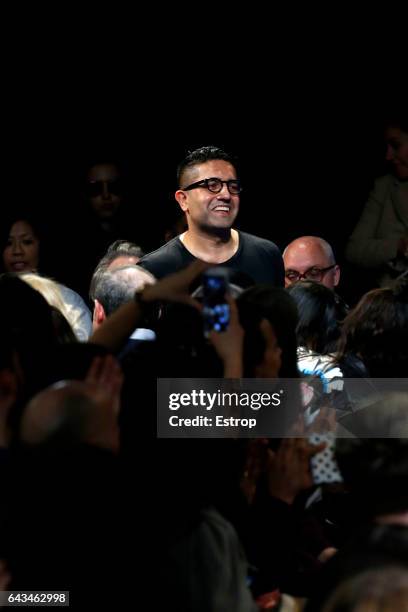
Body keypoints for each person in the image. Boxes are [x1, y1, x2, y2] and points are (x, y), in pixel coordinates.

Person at [139, 146, 284, 286]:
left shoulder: (267, 255)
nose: (226, 195)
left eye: (232, 186)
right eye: (212, 185)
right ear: (183, 200)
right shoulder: (153, 268)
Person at [2, 214, 92, 340]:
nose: (17, 251)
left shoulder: (67, 300)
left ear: (40, 245)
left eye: (27, 242)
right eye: (8, 243)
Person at [345, 115, 408, 287]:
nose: (388, 155)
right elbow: (354, 250)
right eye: (387, 146)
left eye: (396, 145)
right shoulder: (384, 188)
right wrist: (398, 247)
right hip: (395, 302)